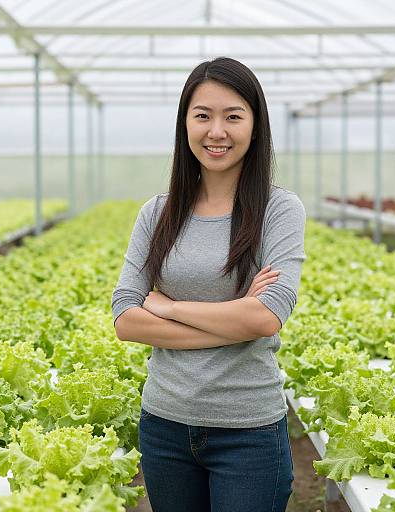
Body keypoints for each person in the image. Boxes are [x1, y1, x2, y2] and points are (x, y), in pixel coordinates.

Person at [111, 56, 306, 512]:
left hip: (249, 433)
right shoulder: (157, 213)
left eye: (233, 116)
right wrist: (234, 317)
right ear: (185, 125)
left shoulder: (279, 210)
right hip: (163, 426)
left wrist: (168, 307)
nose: (216, 131)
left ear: (255, 126)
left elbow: (265, 316)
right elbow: (125, 319)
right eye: (203, 116)